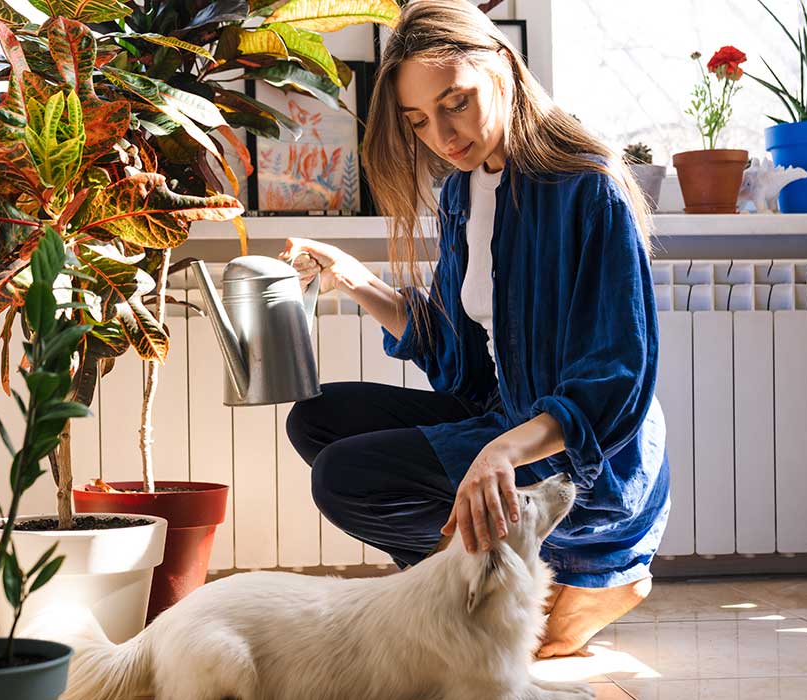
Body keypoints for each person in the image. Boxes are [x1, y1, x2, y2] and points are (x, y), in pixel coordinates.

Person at [282, 0, 669, 659]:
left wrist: (502, 452)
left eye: (454, 102)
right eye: (419, 121)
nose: (443, 134)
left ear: (503, 67)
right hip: (503, 419)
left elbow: (616, 380)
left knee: (346, 477)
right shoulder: (466, 189)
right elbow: (460, 359)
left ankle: (563, 582)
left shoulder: (587, 187)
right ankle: (495, 593)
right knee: (316, 420)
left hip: (588, 460)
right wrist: (356, 280)